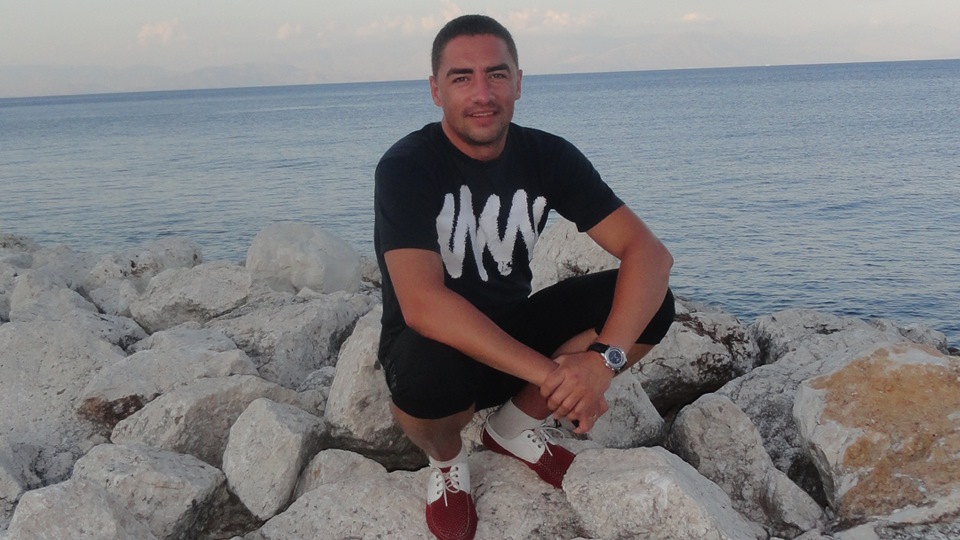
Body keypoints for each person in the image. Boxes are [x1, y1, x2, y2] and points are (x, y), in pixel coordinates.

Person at [374, 14, 675, 540]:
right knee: (425, 373)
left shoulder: (546, 155)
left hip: (513, 330)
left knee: (654, 304)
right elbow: (422, 303)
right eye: (462, 78)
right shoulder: (408, 166)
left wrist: (601, 363)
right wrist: (556, 377)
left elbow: (649, 253)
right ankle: (447, 463)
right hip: (436, 347)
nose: (482, 93)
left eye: (496, 74)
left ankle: (512, 427)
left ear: (518, 82)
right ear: (436, 90)